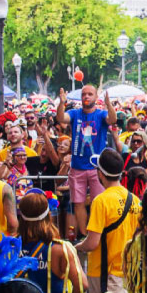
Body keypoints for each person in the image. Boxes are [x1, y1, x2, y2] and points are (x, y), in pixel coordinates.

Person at [77, 148, 141, 293]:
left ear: (100, 173)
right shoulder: (134, 200)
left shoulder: (101, 201)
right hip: (127, 274)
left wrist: (74, 247)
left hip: (104, 274)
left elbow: (92, 243)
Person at [55, 85, 116, 237]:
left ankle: (97, 234)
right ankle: (84, 234)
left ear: (96, 97)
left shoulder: (101, 114)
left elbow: (112, 119)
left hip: (96, 168)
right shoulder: (75, 113)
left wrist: (109, 105)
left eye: (90, 94)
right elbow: (61, 118)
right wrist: (61, 103)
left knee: (98, 203)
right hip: (77, 167)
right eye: (84, 94)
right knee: (78, 203)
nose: (86, 97)